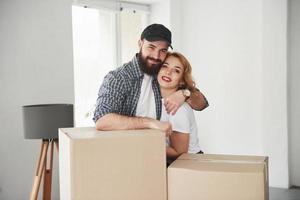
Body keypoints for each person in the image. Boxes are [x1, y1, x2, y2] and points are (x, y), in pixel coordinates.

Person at [93, 23, 208, 135]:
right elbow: (102, 121)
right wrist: (150, 122)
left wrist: (185, 93)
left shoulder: (163, 72)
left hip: (157, 150)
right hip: (128, 150)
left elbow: (202, 104)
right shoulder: (118, 78)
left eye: (163, 50)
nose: (156, 56)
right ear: (140, 43)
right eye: (151, 47)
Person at [157, 52, 203, 163]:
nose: (168, 72)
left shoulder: (178, 109)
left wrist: (145, 145)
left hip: (189, 164)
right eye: (165, 66)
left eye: (176, 70)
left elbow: (180, 152)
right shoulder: (156, 101)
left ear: (182, 80)